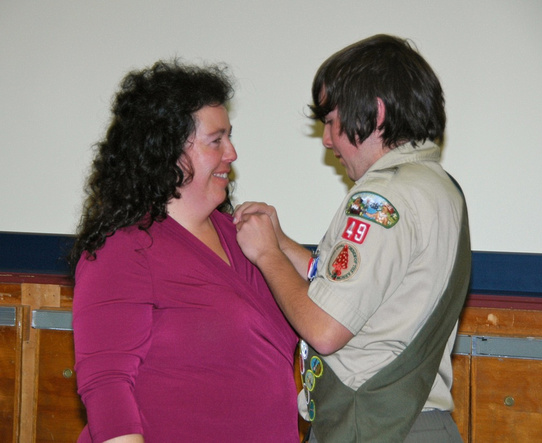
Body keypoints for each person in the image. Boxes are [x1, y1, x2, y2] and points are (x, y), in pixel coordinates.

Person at [234, 35, 471, 442]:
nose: (327, 140)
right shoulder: (438, 187)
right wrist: (285, 244)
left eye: (330, 121)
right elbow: (373, 294)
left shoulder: (381, 196)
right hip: (420, 423)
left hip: (372, 425)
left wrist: (268, 255)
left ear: (375, 113)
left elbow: (325, 329)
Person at [70, 60, 299, 443]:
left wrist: (282, 248)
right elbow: (107, 387)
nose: (232, 153)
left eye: (229, 138)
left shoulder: (244, 237)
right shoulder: (125, 247)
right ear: (168, 151)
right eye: (216, 140)